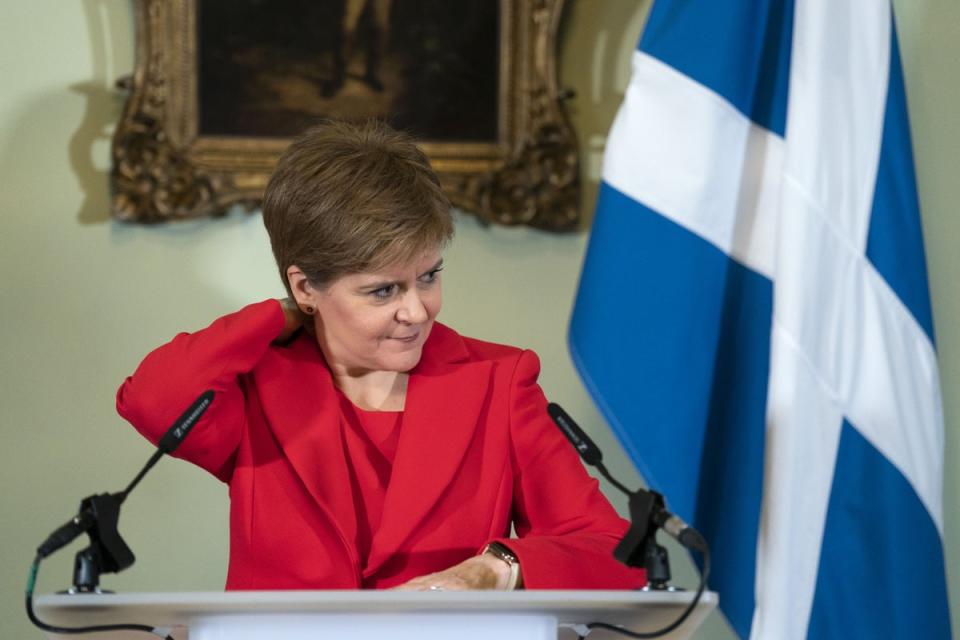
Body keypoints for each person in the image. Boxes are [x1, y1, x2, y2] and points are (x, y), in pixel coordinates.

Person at [117, 119, 645, 591]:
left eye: (429, 277)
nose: (417, 311)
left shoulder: (499, 382)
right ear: (306, 286)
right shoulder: (256, 384)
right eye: (383, 291)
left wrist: (492, 570)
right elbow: (153, 401)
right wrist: (283, 314)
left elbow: (611, 550)